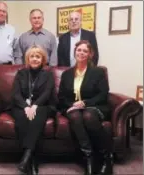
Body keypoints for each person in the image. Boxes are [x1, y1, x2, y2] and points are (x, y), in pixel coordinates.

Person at [58, 40, 113, 175]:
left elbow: (103, 94)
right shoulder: (67, 74)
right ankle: (89, 157)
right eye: (79, 50)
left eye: (85, 51)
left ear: (90, 55)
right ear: (75, 52)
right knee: (75, 116)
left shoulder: (98, 72)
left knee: (88, 116)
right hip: (72, 108)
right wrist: (72, 106)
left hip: (93, 106)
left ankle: (106, 158)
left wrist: (85, 103)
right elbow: (62, 96)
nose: (81, 53)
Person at [10, 45, 57, 175]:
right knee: (21, 118)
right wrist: (25, 107)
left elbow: (47, 93)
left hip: (43, 105)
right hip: (22, 105)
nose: (35, 59)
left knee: (38, 116)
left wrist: (35, 105)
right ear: (27, 59)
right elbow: (16, 94)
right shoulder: (21, 73)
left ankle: (25, 160)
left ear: (42, 59)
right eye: (32, 56)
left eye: (38, 56)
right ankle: (33, 160)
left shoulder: (48, 74)